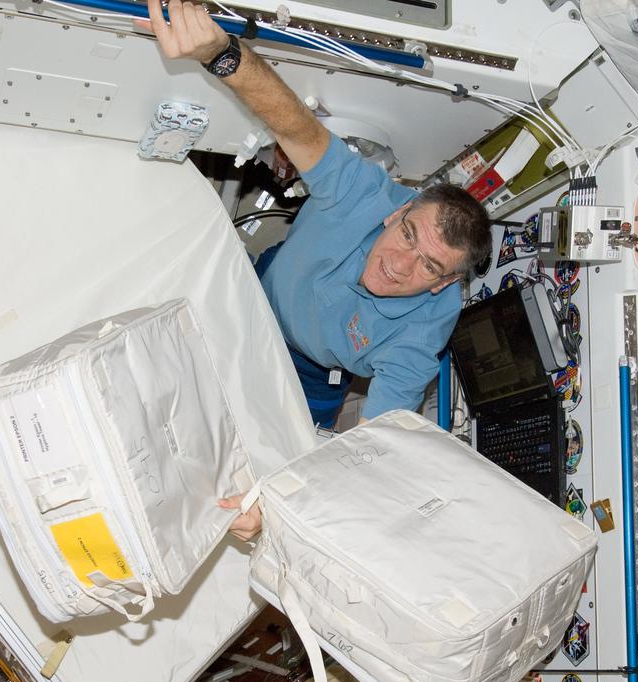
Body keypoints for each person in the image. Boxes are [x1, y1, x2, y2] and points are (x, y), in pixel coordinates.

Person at [143, 0, 491, 539]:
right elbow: (298, 128)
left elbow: (373, 448)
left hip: (313, 371)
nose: (400, 266)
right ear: (397, 212)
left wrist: (276, 503)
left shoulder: (420, 339)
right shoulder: (362, 195)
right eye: (407, 235)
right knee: (170, 386)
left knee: (280, 449)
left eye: (428, 266)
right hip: (262, 293)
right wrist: (221, 52)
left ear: (444, 283)